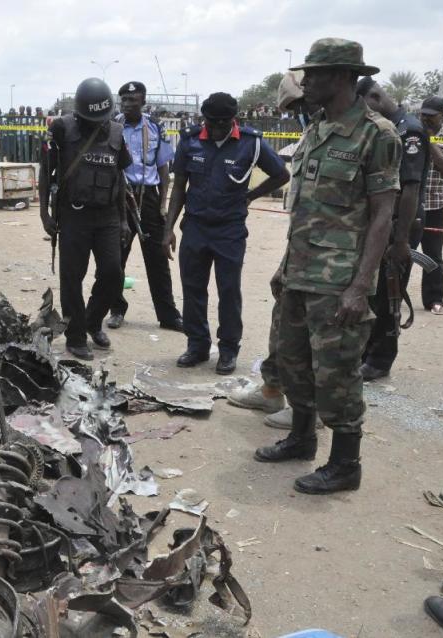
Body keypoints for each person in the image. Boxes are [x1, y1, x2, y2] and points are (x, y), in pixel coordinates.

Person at [254, 38, 400, 495]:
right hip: (300, 270)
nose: (306, 81)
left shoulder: (378, 134)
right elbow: (307, 208)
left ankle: (345, 464)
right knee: (293, 360)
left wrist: (361, 286)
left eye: (313, 74)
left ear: (340, 76)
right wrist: (284, 264)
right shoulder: (318, 127)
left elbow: (383, 214)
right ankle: (301, 438)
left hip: (339, 280)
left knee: (337, 372)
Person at [163, 92, 289, 374]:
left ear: (234, 119)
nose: (218, 128)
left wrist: (251, 196)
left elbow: (282, 174)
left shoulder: (250, 143)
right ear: (204, 119)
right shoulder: (190, 140)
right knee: (192, 288)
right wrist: (168, 228)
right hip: (195, 227)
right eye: (212, 122)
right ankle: (197, 345)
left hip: (229, 230)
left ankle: (228, 349)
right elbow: (179, 186)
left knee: (229, 290)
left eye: (224, 123)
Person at [229, 70, 318, 428]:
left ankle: (307, 409)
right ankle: (272, 390)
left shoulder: (363, 133)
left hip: (332, 257)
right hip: (301, 245)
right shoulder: (314, 132)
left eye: (298, 106)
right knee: (284, 315)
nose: (296, 113)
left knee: (316, 332)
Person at [39, 77, 131, 361]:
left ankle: (92, 320)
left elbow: (120, 179)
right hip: (73, 215)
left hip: (108, 216)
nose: (97, 123)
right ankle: (76, 336)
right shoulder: (62, 129)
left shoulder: (116, 132)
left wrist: (125, 220)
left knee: (113, 274)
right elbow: (46, 172)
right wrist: (44, 212)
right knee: (72, 278)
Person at [355, 77, 430, 381]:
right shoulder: (389, 127)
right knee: (376, 292)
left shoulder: (407, 129)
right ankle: (369, 351)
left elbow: (410, 189)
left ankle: (381, 360)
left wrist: (400, 240)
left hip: (402, 223)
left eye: (365, 107)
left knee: (390, 293)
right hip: (387, 221)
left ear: (375, 96)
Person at [107, 81, 183, 332]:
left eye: (133, 101)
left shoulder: (154, 127)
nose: (128, 105)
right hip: (121, 198)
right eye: (124, 101)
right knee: (116, 258)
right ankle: (116, 309)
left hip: (148, 197)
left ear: (143, 102)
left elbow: (163, 167)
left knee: (158, 259)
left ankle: (168, 315)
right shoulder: (112, 127)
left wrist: (162, 202)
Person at [416, 96, 443, 315]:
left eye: (431, 115)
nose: (426, 119)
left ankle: (434, 299)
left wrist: (429, 142)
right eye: (424, 115)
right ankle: (395, 294)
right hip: (409, 204)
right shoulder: (411, 132)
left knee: (433, 255)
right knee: (402, 251)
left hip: (434, 205)